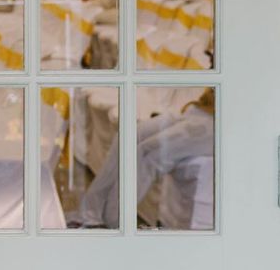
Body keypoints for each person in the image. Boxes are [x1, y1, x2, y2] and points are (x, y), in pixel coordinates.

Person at [68, 89, 214, 229]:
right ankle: (90, 213)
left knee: (147, 152)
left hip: (219, 122)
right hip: (202, 109)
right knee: (128, 135)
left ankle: (113, 223)